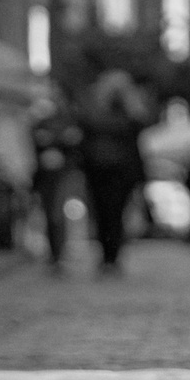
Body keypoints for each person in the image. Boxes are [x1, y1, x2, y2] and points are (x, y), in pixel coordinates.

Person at [76, 68, 155, 277]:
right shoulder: (118, 113)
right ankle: (110, 256)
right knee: (111, 214)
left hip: (109, 171)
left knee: (108, 214)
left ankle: (109, 256)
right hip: (108, 171)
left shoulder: (101, 113)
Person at [27, 87, 82, 272]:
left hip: (64, 174)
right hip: (46, 175)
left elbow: (74, 143)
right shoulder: (41, 122)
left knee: (61, 212)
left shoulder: (68, 121)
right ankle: (55, 252)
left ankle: (60, 251)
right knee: (51, 213)